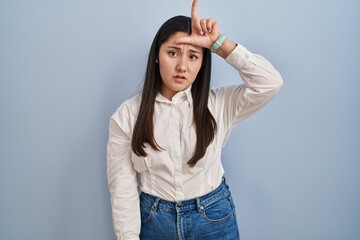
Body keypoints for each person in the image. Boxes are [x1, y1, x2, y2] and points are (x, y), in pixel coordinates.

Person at [107, 0, 283, 239]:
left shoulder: (220, 104)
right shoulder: (127, 116)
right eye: (172, 53)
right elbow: (122, 188)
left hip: (213, 219)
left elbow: (270, 82)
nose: (182, 66)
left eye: (193, 56)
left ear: (202, 63)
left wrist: (218, 44)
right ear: (157, 56)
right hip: (154, 222)